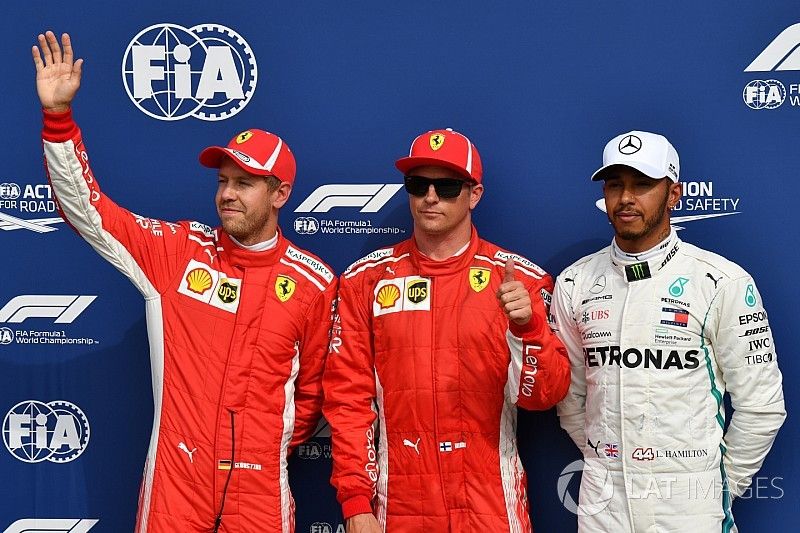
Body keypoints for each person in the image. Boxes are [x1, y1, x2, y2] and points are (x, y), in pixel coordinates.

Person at [32, 31, 337, 532]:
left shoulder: (313, 281)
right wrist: (59, 121)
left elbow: (316, 393)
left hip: (259, 494)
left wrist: (268, 443)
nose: (227, 195)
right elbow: (89, 212)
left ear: (280, 193)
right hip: (176, 486)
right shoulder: (178, 252)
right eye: (222, 181)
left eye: (244, 183)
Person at [323, 128, 570, 532]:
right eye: (418, 185)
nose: (430, 197)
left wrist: (529, 328)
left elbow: (547, 396)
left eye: (447, 186)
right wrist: (354, 501)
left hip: (489, 504)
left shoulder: (519, 280)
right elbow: (347, 400)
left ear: (474, 194)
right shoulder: (365, 280)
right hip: (397, 506)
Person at [554, 130, 786, 532]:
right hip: (602, 498)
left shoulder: (721, 282)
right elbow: (570, 397)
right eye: (615, 184)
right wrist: (608, 459)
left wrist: (716, 487)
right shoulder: (574, 282)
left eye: (642, 184)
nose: (626, 197)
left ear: (674, 194)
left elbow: (762, 408)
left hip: (689, 502)